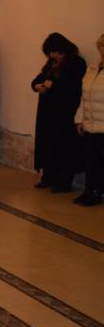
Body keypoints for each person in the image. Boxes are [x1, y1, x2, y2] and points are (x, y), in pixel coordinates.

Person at [31, 33, 86, 192]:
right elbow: (38, 79)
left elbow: (75, 88)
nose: (52, 56)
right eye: (49, 53)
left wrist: (53, 85)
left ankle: (64, 182)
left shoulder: (77, 63)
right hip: (48, 113)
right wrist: (36, 86)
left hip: (65, 113)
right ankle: (48, 177)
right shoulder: (52, 63)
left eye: (54, 52)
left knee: (64, 147)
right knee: (48, 145)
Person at [72, 34, 104, 206]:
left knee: (101, 162)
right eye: (100, 46)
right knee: (91, 161)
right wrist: (79, 119)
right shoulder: (92, 68)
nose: (102, 50)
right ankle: (89, 191)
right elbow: (84, 97)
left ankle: (98, 193)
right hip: (90, 124)